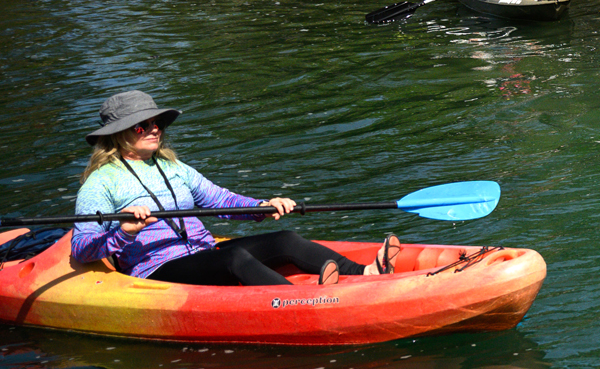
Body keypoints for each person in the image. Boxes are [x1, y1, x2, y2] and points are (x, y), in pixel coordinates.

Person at [69, 91, 397, 286]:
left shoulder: (172, 166)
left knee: (286, 239)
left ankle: (366, 272)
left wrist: (265, 207)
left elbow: (221, 201)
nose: (154, 129)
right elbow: (82, 248)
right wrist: (125, 231)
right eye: (143, 125)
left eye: (157, 123)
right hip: (156, 271)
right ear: (118, 134)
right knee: (235, 257)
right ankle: (307, 301)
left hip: (202, 254)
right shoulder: (101, 182)